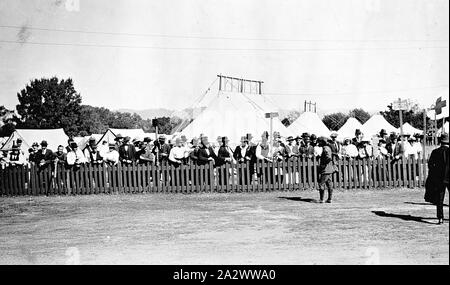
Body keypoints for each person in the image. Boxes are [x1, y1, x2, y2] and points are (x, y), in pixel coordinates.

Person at [425, 133, 449, 224]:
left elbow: (430, 165)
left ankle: (440, 218)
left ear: (440, 142)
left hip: (439, 178)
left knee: (440, 199)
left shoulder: (435, 152)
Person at [317, 136, 335, 203]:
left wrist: (323, 165)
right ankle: (329, 199)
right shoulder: (328, 147)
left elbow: (329, 158)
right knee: (329, 184)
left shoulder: (325, 148)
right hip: (329, 169)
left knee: (321, 184)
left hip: (325, 169)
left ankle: (321, 199)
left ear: (322, 142)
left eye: (319, 142)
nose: (318, 143)